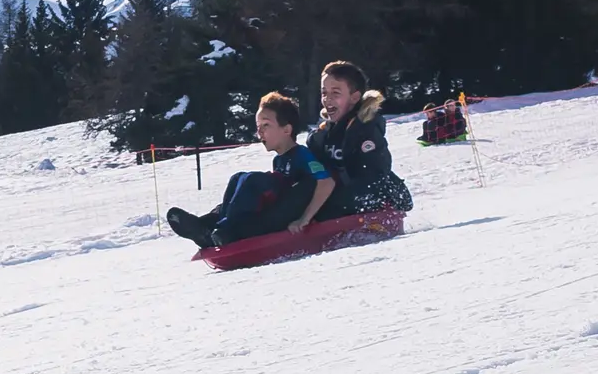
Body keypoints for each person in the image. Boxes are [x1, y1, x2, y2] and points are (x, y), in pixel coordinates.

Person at [165, 92, 340, 250]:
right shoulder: (278, 159)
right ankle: (206, 226)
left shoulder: (303, 154)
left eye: (266, 125)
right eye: (258, 126)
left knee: (251, 180)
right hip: (275, 206)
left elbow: (326, 181)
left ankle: (225, 230)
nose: (260, 132)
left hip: (287, 209)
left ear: (287, 129)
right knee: (238, 178)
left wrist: (305, 219)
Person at [307, 61, 413, 214]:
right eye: (324, 93)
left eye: (335, 93)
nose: (327, 99)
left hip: (372, 194)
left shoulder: (366, 130)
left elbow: (375, 174)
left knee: (325, 205)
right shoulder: (327, 130)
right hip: (343, 188)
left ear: (354, 97)